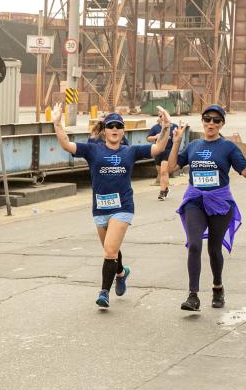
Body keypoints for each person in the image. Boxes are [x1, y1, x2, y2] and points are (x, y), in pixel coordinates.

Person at [52, 104, 171, 308]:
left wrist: (166, 128)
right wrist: (56, 123)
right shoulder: (92, 149)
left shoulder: (131, 151)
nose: (115, 130)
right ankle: (121, 273)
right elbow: (66, 145)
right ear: (105, 130)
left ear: (123, 130)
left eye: (118, 126)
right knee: (112, 250)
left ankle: (103, 293)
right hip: (100, 208)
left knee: (109, 251)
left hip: (123, 206)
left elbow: (159, 148)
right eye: (111, 126)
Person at [168, 104, 246, 312]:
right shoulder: (193, 145)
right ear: (203, 121)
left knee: (214, 249)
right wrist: (177, 142)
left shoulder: (228, 147)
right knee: (195, 244)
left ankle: (217, 287)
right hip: (195, 200)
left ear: (222, 124)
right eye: (207, 119)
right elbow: (171, 168)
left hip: (220, 202)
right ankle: (193, 296)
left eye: (216, 120)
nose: (211, 123)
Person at [147, 107, 178, 200]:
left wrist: (176, 138)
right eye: (160, 116)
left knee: (164, 171)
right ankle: (166, 188)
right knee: (161, 173)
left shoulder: (174, 126)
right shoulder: (155, 128)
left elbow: (177, 138)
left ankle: (162, 192)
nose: (162, 118)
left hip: (168, 152)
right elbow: (148, 138)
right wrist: (155, 137)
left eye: (164, 115)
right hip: (158, 152)